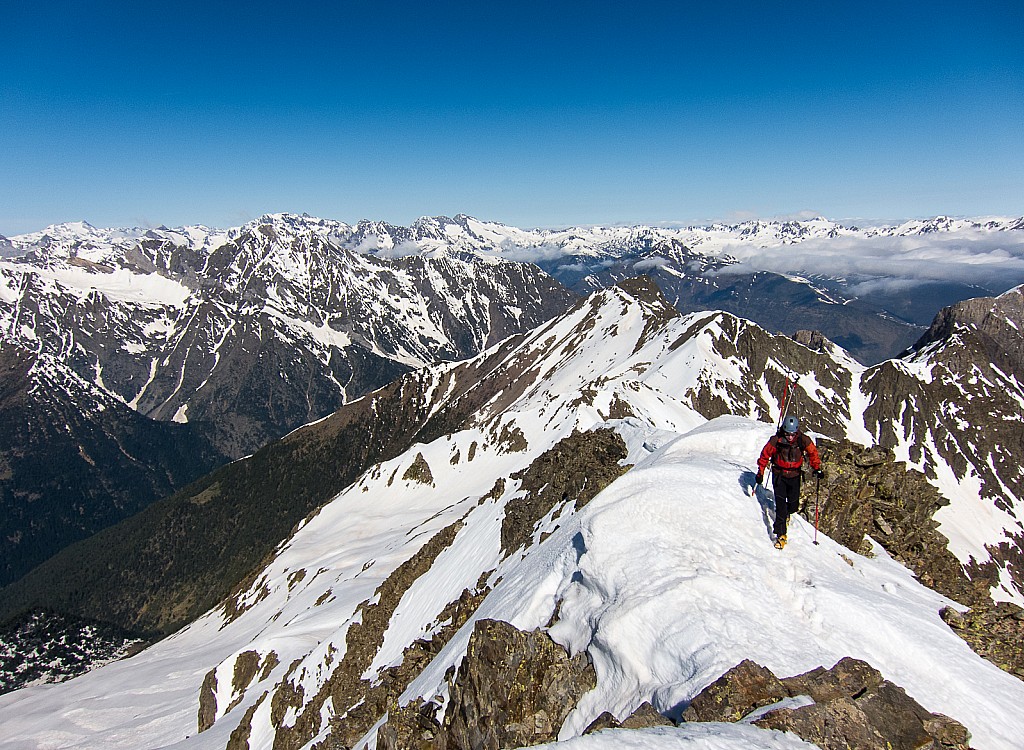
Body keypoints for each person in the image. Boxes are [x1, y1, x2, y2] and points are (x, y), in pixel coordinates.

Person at [756, 415, 823, 549]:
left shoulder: (803, 440)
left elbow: (812, 452)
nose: (790, 437)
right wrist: (760, 473)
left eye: (792, 434)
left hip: (794, 476)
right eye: (788, 434)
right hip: (779, 476)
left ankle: (787, 515)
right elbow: (765, 455)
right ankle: (781, 535)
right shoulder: (776, 440)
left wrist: (817, 468)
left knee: (793, 506)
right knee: (781, 505)